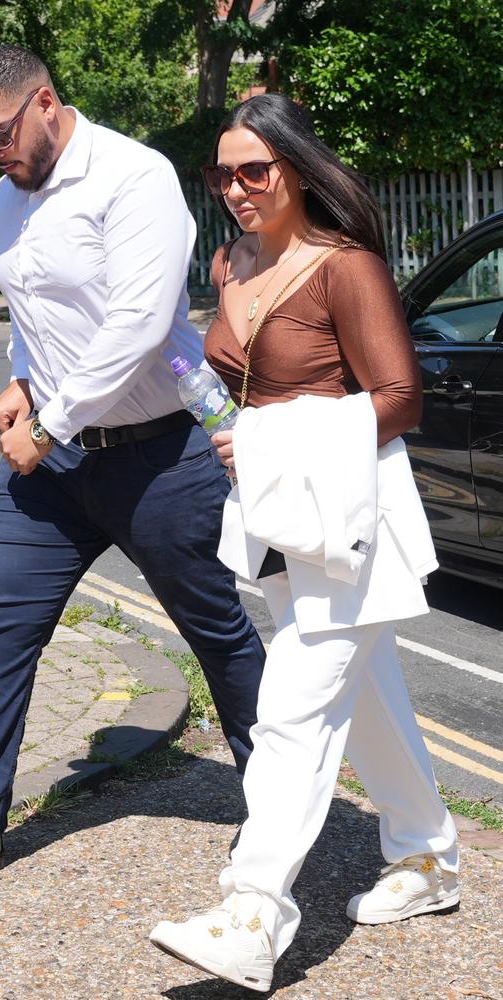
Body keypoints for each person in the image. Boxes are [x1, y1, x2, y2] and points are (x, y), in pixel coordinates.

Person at [0, 45, 266, 885]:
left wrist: (46, 422)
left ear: (45, 102)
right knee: (1, 629)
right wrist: (20, 376)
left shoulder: (134, 176)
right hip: (53, 470)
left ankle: (277, 808)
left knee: (217, 635)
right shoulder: (3, 197)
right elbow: (33, 309)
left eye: (0, 135)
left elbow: (140, 322)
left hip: (158, 457)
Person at [149, 93, 459, 993]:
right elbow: (225, 377)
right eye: (222, 174)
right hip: (286, 520)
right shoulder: (234, 260)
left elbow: (400, 401)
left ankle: (253, 912)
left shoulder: (343, 267)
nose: (237, 189)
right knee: (370, 707)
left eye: (254, 170)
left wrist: (271, 439)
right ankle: (431, 860)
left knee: (290, 710)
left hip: (350, 522)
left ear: (295, 167)